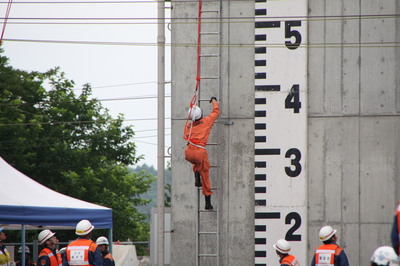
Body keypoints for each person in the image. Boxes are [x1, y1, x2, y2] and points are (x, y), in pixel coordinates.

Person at [184, 96, 220, 210]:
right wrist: (214, 101)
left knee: (196, 161)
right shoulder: (207, 121)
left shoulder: (188, 126)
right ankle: (207, 203)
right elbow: (216, 112)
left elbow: (186, 137)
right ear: (201, 114)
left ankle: (196, 174)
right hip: (200, 151)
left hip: (189, 152)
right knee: (205, 176)